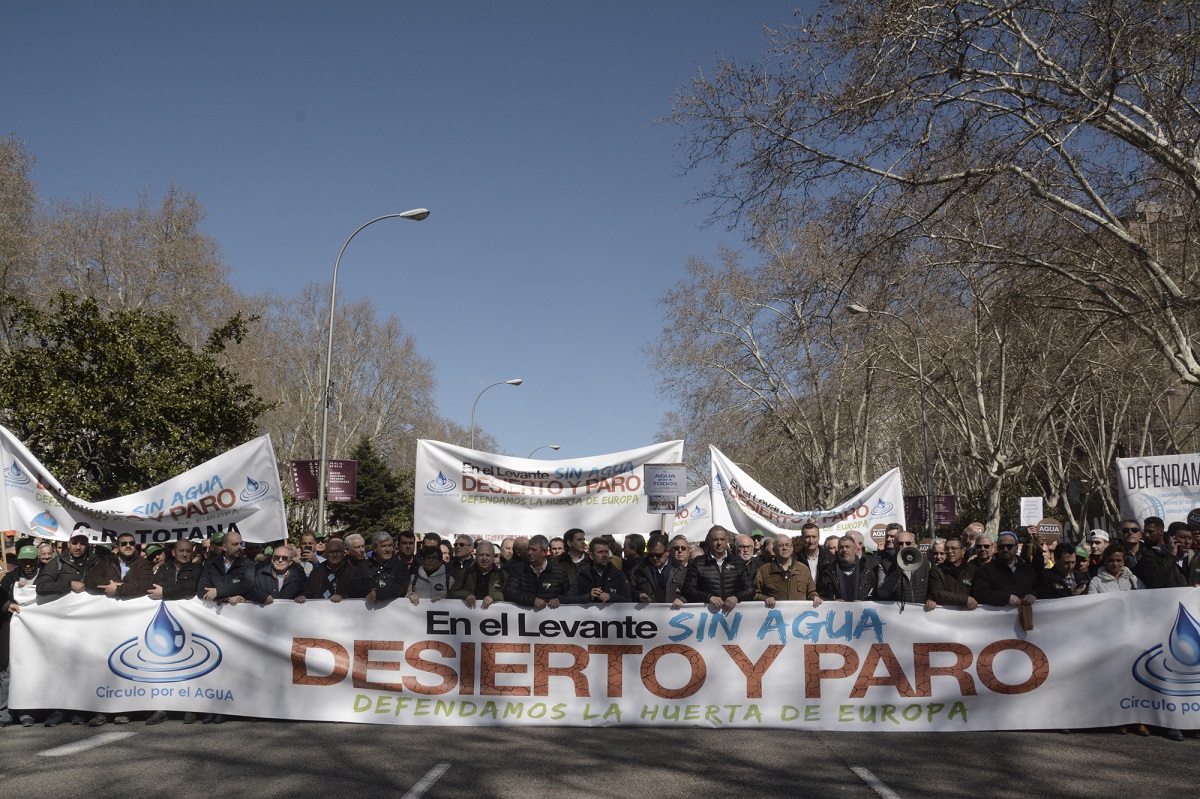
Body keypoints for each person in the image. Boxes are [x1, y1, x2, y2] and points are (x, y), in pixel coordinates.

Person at [145, 538, 203, 725]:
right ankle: (161, 708)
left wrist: (166, 592)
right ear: (173, 552)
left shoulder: (196, 569)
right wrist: (170, 592)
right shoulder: (164, 568)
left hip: (190, 624)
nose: (185, 554)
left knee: (190, 664)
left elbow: (189, 588)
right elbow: (153, 587)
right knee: (165, 665)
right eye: (181, 551)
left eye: (188, 551)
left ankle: (189, 707)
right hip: (166, 625)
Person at [1, 546, 40, 727]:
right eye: (24, 562)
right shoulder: (9, 578)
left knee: (29, 670)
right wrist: (7, 603)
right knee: (7, 671)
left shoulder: (46, 576)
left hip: (35, 633)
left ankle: (27, 712)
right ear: (18, 562)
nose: (28, 565)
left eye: (31, 561)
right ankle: (4, 712)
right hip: (10, 631)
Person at [679, 525, 755, 611]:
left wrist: (736, 597)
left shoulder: (738, 562)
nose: (719, 543)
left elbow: (751, 589)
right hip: (707, 614)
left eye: (722, 539)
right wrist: (708, 597)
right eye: (715, 539)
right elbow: (688, 590)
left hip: (733, 615)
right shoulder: (698, 563)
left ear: (727, 541)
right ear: (709, 541)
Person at [753, 533, 821, 608]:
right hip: (775, 617)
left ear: (792, 548)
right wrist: (765, 598)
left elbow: (811, 592)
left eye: (787, 545)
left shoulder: (804, 569)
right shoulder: (763, 571)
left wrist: (815, 597)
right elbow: (755, 594)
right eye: (780, 545)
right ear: (774, 550)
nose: (784, 548)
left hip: (799, 617)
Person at [971, 531, 1037, 608]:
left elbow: (1038, 587)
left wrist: (1033, 594)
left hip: (1025, 616)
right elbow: (980, 593)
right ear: (997, 548)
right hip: (997, 618)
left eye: (1009, 546)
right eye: (1001, 547)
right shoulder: (986, 570)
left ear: (1016, 548)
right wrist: (1006, 598)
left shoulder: (1027, 569)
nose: (1005, 549)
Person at [504, 535, 570, 609]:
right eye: (528, 549)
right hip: (524, 617)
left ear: (544, 552)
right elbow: (509, 592)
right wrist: (532, 600)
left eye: (534, 550)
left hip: (551, 617)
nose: (529, 552)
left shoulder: (559, 571)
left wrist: (559, 599)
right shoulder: (517, 569)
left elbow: (568, 593)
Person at [347, 532, 411, 604]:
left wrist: (378, 593)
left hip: (393, 611)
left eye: (390, 545)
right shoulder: (363, 565)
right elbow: (353, 588)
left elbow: (401, 588)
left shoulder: (400, 566)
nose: (387, 549)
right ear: (374, 548)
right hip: (368, 612)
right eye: (383, 546)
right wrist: (370, 590)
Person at [35, 526, 98, 599]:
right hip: (64, 609)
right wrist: (69, 584)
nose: (78, 547)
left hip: (88, 608)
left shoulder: (96, 562)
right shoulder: (58, 562)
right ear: (68, 544)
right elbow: (41, 586)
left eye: (82, 543)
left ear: (87, 545)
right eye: (74, 543)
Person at [197, 531, 256, 607]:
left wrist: (218, 592)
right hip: (215, 614)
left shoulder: (247, 564)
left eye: (240, 544)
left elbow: (247, 585)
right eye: (235, 544)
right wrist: (226, 599)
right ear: (224, 547)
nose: (239, 547)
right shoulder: (211, 564)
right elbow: (202, 590)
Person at [85, 532, 152, 598]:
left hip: (133, 606)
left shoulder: (144, 564)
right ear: (117, 548)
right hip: (108, 606)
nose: (128, 546)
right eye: (124, 544)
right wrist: (110, 585)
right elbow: (90, 579)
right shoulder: (107, 561)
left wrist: (118, 588)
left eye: (131, 543)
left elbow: (145, 585)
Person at [567, 537, 632, 604]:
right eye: (600, 552)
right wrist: (589, 597)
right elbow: (570, 599)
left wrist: (611, 597)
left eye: (606, 552)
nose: (604, 555)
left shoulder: (617, 574)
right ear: (591, 556)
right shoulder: (582, 574)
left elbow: (628, 599)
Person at [876, 529, 931, 604]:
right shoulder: (885, 565)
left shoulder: (925, 563)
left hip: (920, 613)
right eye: (900, 543)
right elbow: (882, 593)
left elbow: (932, 588)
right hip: (897, 613)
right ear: (894, 545)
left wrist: (931, 599)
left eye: (908, 543)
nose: (904, 546)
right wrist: (896, 573)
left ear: (913, 544)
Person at [817, 535, 877, 601]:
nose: (844, 550)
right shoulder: (828, 571)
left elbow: (875, 596)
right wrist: (832, 602)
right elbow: (821, 595)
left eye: (847, 547)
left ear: (855, 550)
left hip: (860, 610)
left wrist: (864, 603)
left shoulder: (866, 572)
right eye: (841, 547)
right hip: (836, 610)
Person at [449, 540, 506, 609]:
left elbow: (508, 594)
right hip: (468, 615)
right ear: (476, 556)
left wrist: (493, 596)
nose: (484, 558)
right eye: (481, 555)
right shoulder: (466, 573)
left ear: (493, 557)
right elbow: (452, 593)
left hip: (494, 616)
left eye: (488, 555)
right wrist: (466, 595)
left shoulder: (502, 575)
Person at [630, 534, 686, 604]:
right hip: (647, 612)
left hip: (672, 613)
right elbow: (629, 591)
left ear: (667, 552)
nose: (655, 558)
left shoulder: (681, 570)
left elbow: (689, 592)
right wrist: (639, 595)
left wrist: (682, 599)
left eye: (658, 555)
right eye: (651, 555)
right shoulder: (637, 570)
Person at [927, 537, 978, 610]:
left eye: (953, 548)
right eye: (947, 549)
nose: (950, 551)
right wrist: (964, 599)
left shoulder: (972, 570)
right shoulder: (937, 571)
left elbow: (978, 592)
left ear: (963, 551)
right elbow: (937, 593)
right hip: (945, 616)